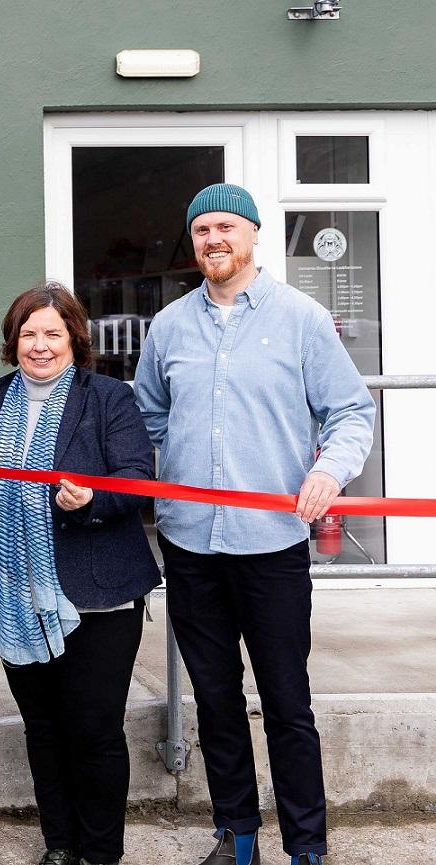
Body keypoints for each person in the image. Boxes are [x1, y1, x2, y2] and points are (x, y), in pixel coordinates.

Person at [134, 183, 375, 865]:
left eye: (226, 227)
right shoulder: (171, 326)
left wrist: (328, 471)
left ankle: (306, 846)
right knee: (215, 700)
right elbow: (151, 413)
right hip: (189, 545)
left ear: (254, 234)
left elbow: (352, 412)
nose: (213, 240)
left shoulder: (301, 318)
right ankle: (236, 838)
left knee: (287, 704)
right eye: (202, 229)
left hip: (270, 548)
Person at [0, 282, 160, 865]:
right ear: (13, 342)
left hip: (98, 598)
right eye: (28, 334)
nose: (39, 345)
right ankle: (59, 846)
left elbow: (137, 478)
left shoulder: (108, 397)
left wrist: (90, 500)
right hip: (15, 597)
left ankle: (98, 853)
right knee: (42, 731)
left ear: (75, 339)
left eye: (52, 334)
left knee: (93, 731)